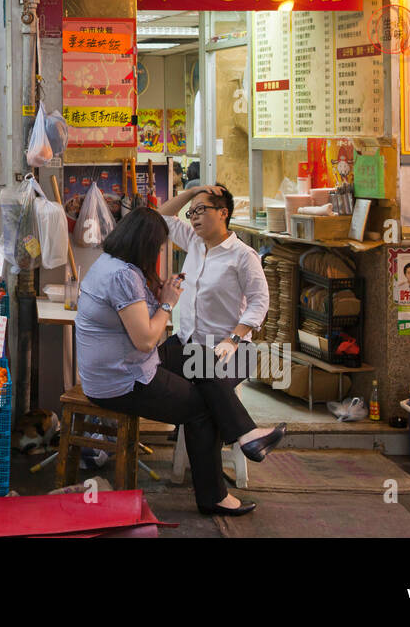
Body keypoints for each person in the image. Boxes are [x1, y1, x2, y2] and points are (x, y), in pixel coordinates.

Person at [75, 208, 256, 516]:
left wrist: (156, 292)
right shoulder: (122, 276)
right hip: (123, 380)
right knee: (201, 408)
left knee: (198, 359)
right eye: (158, 246)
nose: (160, 251)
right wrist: (168, 303)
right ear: (145, 245)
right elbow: (145, 339)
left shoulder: (110, 263)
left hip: (119, 369)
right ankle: (213, 497)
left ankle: (248, 434)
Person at [157, 183, 286, 481]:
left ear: (223, 213)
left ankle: (210, 481)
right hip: (186, 345)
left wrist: (234, 338)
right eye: (192, 212)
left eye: (202, 210)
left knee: (203, 381)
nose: (194, 217)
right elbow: (162, 218)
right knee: (159, 370)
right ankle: (247, 434)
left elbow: (259, 302)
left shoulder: (243, 256)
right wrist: (192, 192)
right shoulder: (194, 242)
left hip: (232, 350)